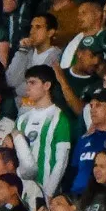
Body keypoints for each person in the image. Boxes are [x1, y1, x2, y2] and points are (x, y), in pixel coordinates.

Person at [12, 66, 72, 197]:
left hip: (46, 191)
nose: (27, 87)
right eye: (27, 83)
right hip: (22, 192)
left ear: (47, 85)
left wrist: (48, 194)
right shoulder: (22, 119)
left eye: (32, 83)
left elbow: (61, 162)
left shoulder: (59, 118)